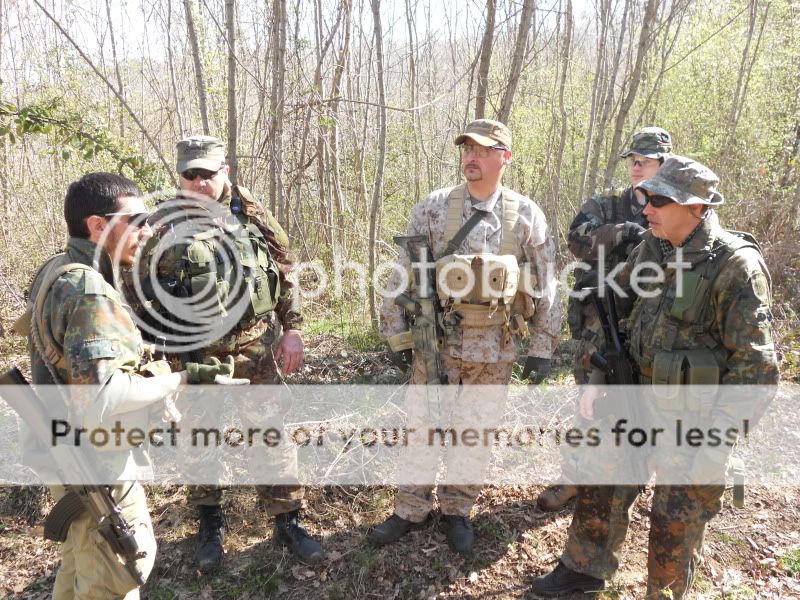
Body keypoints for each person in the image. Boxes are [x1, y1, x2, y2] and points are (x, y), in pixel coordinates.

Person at [532, 156, 779, 598]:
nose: (646, 209)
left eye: (660, 201)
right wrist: (597, 379)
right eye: (647, 198)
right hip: (632, 398)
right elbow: (615, 311)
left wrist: (717, 440)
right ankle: (582, 571)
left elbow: (756, 369)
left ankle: (662, 592)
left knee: (675, 519)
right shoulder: (652, 247)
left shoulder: (734, 267)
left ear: (698, 207)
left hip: (691, 420)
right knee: (601, 483)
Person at [20, 172, 236, 599]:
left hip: (68, 451)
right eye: (135, 220)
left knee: (80, 567)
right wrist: (182, 378)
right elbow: (104, 397)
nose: (147, 230)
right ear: (97, 226)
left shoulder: (58, 269)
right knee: (117, 573)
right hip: (96, 462)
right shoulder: (88, 289)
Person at [370, 119, 561, 555]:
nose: (471, 157)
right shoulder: (434, 207)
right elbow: (403, 273)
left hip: (496, 347)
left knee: (474, 433)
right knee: (422, 428)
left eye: (483, 150)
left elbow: (546, 283)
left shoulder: (526, 214)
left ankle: (457, 509)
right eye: (467, 149)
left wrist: (543, 346)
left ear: (504, 157)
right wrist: (395, 334)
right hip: (437, 343)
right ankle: (410, 508)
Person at [134, 135, 321, 571]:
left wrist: (293, 329)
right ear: (179, 176)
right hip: (195, 357)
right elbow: (139, 291)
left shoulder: (250, 212)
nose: (199, 182)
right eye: (190, 174)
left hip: (256, 347)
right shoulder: (161, 224)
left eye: (207, 173)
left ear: (225, 171)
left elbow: (285, 268)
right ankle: (209, 522)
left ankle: (287, 520)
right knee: (199, 439)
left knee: (270, 434)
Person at [537, 126, 673, 512]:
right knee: (590, 397)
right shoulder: (607, 204)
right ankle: (573, 476)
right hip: (601, 319)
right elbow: (577, 242)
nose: (636, 167)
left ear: (664, 164)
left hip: (653, 319)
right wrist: (622, 232)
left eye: (645, 161)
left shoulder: (675, 207)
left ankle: (630, 474)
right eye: (633, 160)